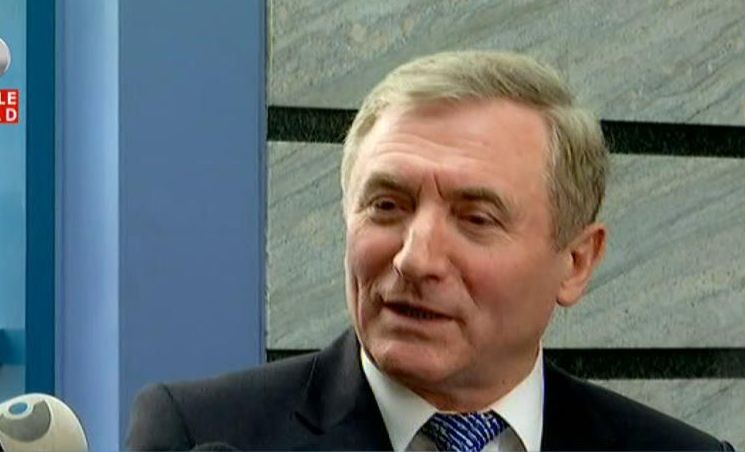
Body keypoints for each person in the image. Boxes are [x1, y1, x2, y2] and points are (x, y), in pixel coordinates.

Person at [127, 51, 733, 451]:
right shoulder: (204, 435)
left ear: (576, 262)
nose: (415, 259)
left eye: (476, 218)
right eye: (387, 206)